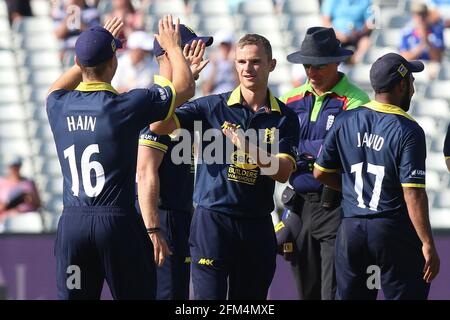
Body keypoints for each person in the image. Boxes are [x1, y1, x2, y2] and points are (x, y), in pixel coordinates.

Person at [46, 15, 195, 299]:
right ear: (113, 63)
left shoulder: (58, 105)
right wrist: (173, 48)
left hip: (73, 225)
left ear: (78, 63)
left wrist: (93, 45)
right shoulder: (125, 106)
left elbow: (56, 87)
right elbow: (186, 88)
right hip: (116, 222)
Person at [151, 34, 300, 300]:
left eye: (255, 62)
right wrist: (183, 90)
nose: (247, 68)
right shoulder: (212, 106)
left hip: (257, 224)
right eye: (241, 61)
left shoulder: (284, 117)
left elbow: (283, 171)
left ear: (272, 64)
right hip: (212, 222)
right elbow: (158, 126)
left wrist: (246, 147)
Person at [313, 52, 440, 299]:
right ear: (402, 85)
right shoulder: (408, 129)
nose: (413, 89)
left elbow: (319, 172)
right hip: (391, 229)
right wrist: (427, 243)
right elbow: (412, 192)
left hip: (351, 229)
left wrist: (350, 189)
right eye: (411, 82)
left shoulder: (346, 119)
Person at [276, 26, 370, 300]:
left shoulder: (356, 101)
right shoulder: (289, 99)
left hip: (336, 206)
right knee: (306, 292)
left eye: (319, 66)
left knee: (332, 291)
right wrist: (315, 153)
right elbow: (277, 148)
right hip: (297, 205)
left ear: (337, 62)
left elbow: (346, 153)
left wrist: (301, 155)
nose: (312, 72)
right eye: (308, 65)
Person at [137, 25, 213, 300]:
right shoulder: (154, 103)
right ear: (169, 55)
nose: (198, 53)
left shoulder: (173, 105)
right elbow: (145, 172)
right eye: (188, 49)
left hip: (177, 216)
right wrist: (154, 228)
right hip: (163, 217)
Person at [321, 0, 373, 64]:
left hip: (358, 36)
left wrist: (359, 33)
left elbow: (369, 24)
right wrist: (338, 34)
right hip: (336, 36)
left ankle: (355, 67)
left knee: (366, 42)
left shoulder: (366, 1)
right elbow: (326, 22)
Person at [0, 156, 41, 228]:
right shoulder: (2, 182)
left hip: (28, 217)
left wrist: (30, 199)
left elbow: (38, 203)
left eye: (17, 166)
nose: (15, 169)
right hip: (8, 218)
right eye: (13, 166)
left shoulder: (29, 183)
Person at [201, 29, 238, 95]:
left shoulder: (237, 63)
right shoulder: (210, 63)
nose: (225, 48)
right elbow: (206, 90)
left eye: (227, 45)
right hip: (216, 99)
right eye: (222, 45)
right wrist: (215, 67)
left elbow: (240, 87)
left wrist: (233, 65)